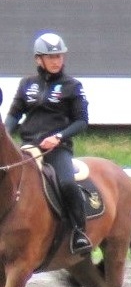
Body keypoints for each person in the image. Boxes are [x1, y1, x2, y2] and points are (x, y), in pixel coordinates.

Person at [5, 32, 93, 254]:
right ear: (39, 59)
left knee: (67, 184)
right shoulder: (27, 84)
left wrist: (59, 137)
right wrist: (5, 134)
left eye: (59, 56)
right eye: (50, 57)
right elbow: (15, 115)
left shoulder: (72, 86)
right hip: (28, 148)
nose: (56, 61)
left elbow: (81, 121)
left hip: (56, 149)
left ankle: (78, 232)